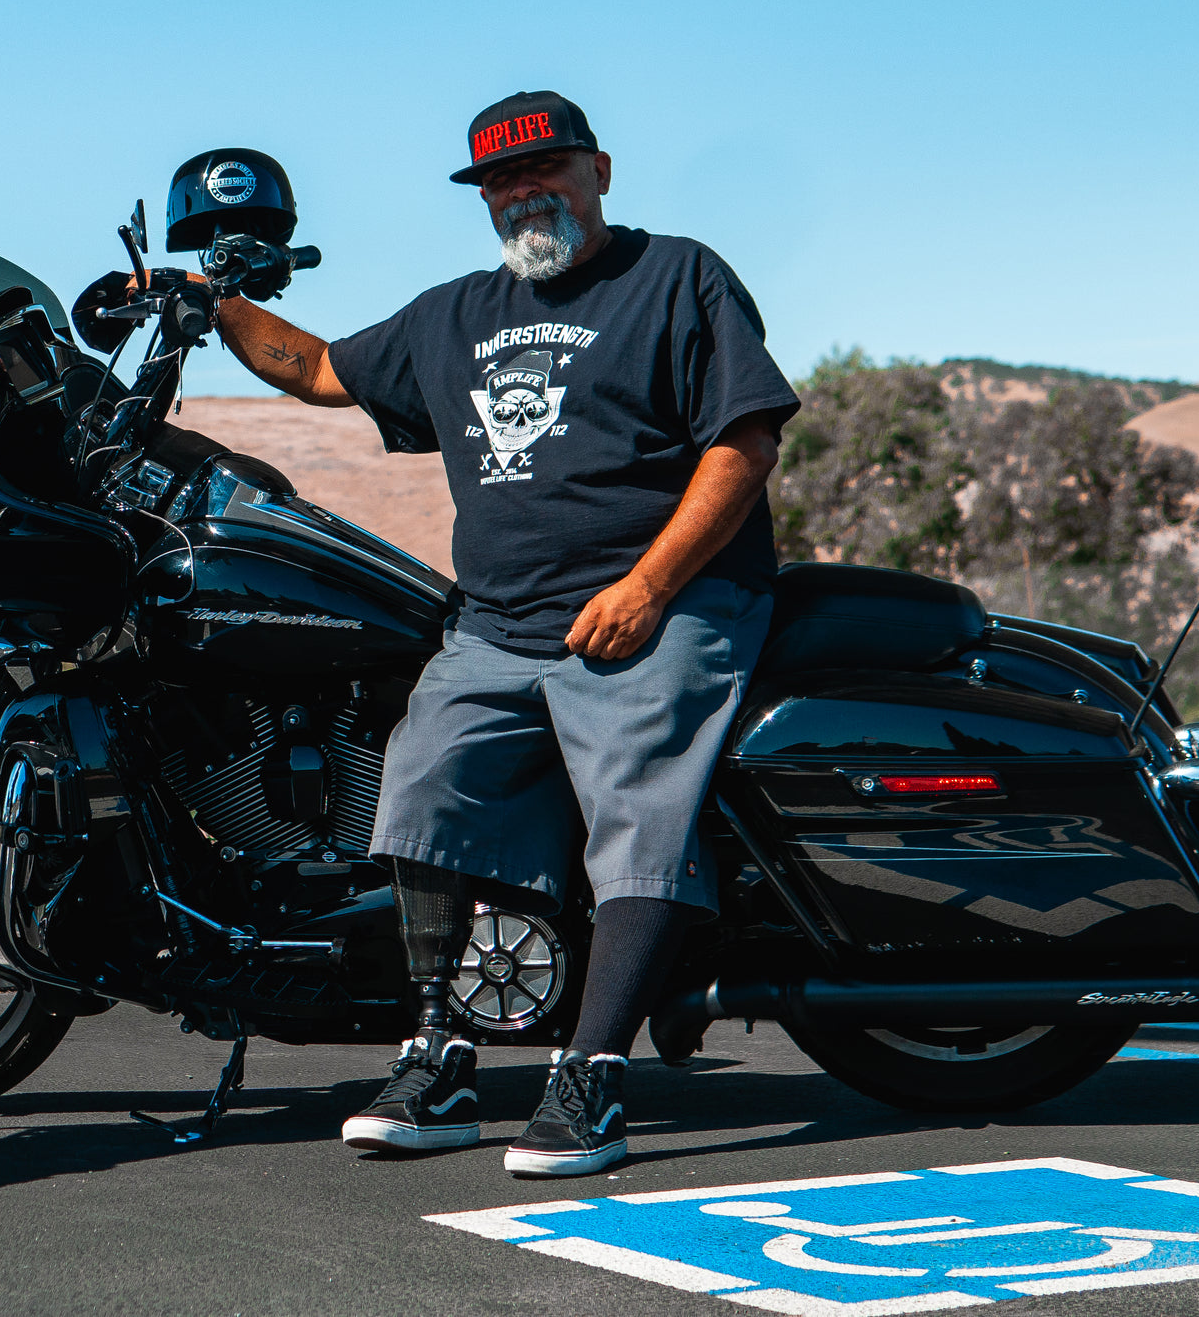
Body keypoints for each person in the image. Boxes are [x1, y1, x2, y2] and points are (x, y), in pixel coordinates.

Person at [207, 90, 800, 1177]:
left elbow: (745, 446)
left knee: (636, 807)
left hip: (657, 607)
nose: (523, 192)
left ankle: (595, 1077)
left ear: (600, 171)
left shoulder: (678, 276)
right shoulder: (456, 313)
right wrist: (211, 300)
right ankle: (438, 1058)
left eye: (545, 171)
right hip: (497, 625)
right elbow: (321, 369)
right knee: (425, 781)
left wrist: (650, 587)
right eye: (499, 182)